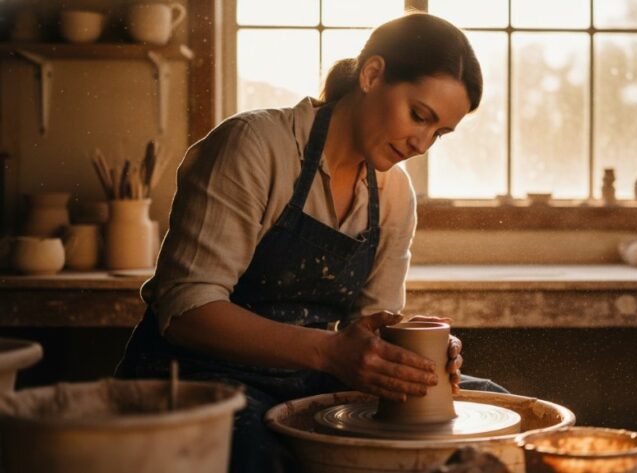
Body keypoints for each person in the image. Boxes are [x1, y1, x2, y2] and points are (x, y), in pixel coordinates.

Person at [116, 12, 504, 472]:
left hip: (308, 380)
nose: (422, 143)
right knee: (259, 454)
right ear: (372, 74)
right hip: (196, 378)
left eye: (439, 133)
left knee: (496, 414)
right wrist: (328, 351)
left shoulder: (394, 194)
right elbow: (185, 311)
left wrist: (415, 355)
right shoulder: (255, 146)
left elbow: (365, 330)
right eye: (419, 116)